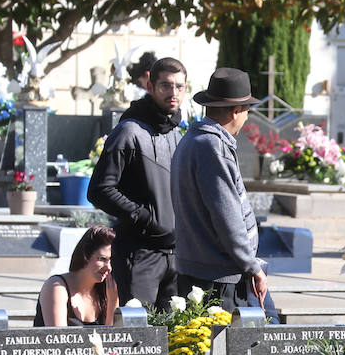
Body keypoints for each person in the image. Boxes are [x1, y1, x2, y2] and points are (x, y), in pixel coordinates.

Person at [88, 56, 187, 306]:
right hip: (139, 254)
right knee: (137, 340)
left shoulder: (177, 133)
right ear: (150, 86)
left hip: (176, 256)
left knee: (177, 339)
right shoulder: (128, 131)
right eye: (165, 85)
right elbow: (99, 190)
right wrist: (143, 218)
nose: (173, 92)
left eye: (179, 86)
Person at [171, 67, 269, 315]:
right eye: (246, 111)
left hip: (198, 270)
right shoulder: (213, 146)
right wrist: (252, 267)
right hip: (216, 277)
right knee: (220, 351)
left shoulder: (192, 139)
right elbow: (227, 217)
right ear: (236, 111)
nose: (246, 119)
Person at [34, 226, 118, 327]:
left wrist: (113, 302)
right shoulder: (57, 287)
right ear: (86, 255)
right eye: (102, 259)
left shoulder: (108, 291)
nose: (109, 267)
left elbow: (112, 339)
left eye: (112, 260)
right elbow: (58, 339)